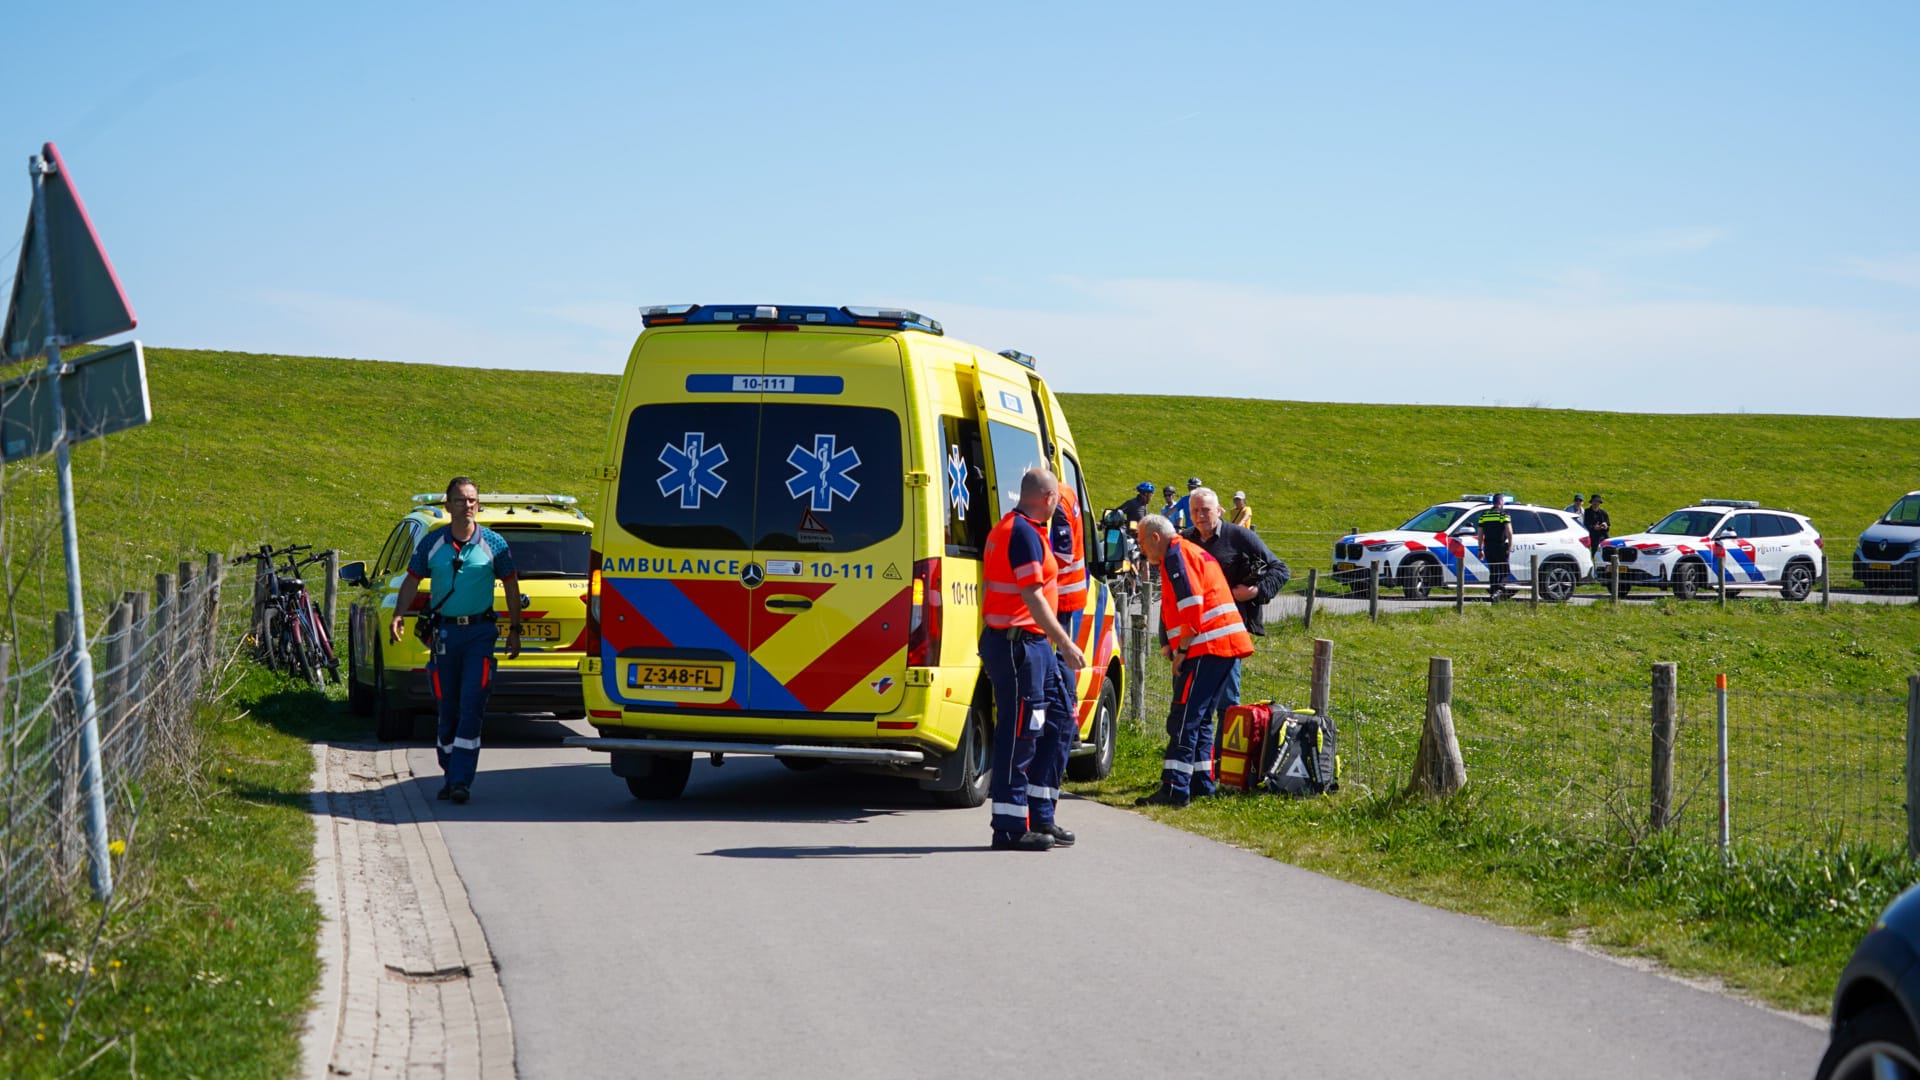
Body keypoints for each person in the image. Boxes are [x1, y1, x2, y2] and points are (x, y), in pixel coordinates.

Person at [389, 477, 523, 804]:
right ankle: (450, 772)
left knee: (472, 705)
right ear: (447, 506)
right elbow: (411, 581)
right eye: (461, 500)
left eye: (473, 500)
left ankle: (461, 780)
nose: (468, 506)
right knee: (447, 708)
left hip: (479, 634)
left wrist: (515, 629)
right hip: (445, 635)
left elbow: (511, 585)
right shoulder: (432, 543)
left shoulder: (494, 543)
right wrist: (398, 614)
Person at [979, 468, 1087, 851]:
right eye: (1057, 497)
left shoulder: (1028, 530)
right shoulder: (1021, 532)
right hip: (1019, 643)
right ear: (1047, 498)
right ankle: (1009, 826)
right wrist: (1067, 644)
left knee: (1057, 721)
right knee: (1021, 730)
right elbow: (1032, 595)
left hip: (1034, 643)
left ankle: (1042, 814)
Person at [1133, 513, 1253, 807]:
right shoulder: (1189, 551)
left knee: (1184, 718)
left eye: (1142, 543)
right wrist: (1169, 645)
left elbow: (1191, 606)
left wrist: (1182, 652)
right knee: (1199, 719)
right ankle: (1201, 782)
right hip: (1222, 647)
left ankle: (1174, 788)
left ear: (1156, 538)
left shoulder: (1177, 555)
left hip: (1206, 647)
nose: (1141, 550)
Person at [1183, 487, 1287, 715]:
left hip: (1228, 631)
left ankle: (1224, 750)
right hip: (1193, 632)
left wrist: (1254, 591)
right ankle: (1200, 751)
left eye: (1206, 510)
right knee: (1193, 700)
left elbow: (1280, 569)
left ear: (1219, 511)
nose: (1201, 515)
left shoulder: (1240, 537)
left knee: (1226, 699)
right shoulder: (1184, 541)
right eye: (1195, 511)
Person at [1478, 494, 1514, 600]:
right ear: (1501, 502)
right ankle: (1499, 589)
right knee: (1505, 572)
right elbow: (1509, 532)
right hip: (1500, 546)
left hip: (1488, 547)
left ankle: (1493, 595)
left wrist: (1480, 549)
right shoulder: (1503, 515)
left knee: (1493, 572)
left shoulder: (1484, 516)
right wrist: (1510, 546)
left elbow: (1480, 534)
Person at [1585, 493, 1612, 569]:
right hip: (1592, 537)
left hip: (1603, 537)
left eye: (1597, 501)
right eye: (1594, 501)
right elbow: (1584, 525)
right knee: (1595, 555)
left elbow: (1608, 526)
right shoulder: (1586, 512)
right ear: (1591, 502)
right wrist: (1594, 527)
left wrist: (1605, 526)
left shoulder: (1603, 513)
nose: (1596, 503)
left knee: (1607, 554)